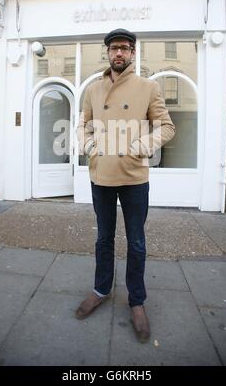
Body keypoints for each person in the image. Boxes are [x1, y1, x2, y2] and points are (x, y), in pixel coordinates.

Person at [76, 28, 175, 343]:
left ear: (133, 53)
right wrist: (89, 146)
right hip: (102, 174)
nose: (119, 53)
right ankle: (101, 289)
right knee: (104, 238)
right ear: (106, 52)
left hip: (134, 177)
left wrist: (142, 146)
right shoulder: (93, 89)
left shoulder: (148, 87)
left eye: (125, 48)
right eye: (114, 48)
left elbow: (167, 126)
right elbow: (82, 125)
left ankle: (137, 300)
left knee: (136, 242)